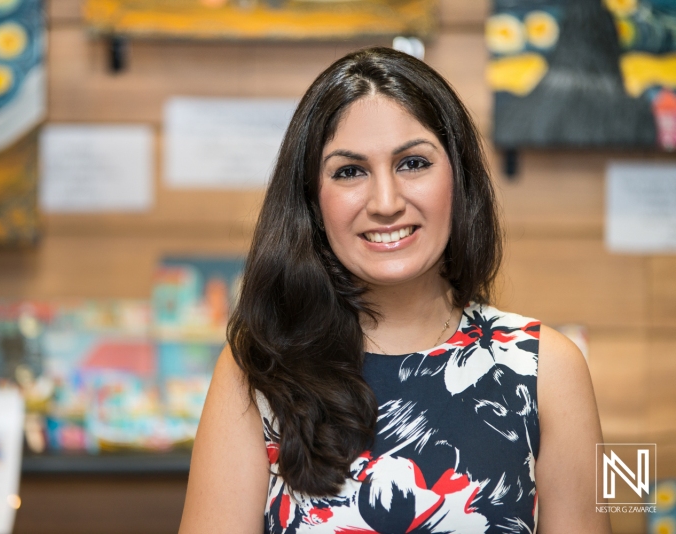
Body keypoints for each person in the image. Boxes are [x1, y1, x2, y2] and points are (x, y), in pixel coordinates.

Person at [179, 47, 610, 534]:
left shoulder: (546, 367)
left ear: (459, 177)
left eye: (413, 163)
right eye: (350, 171)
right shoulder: (256, 369)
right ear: (311, 201)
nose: (386, 202)